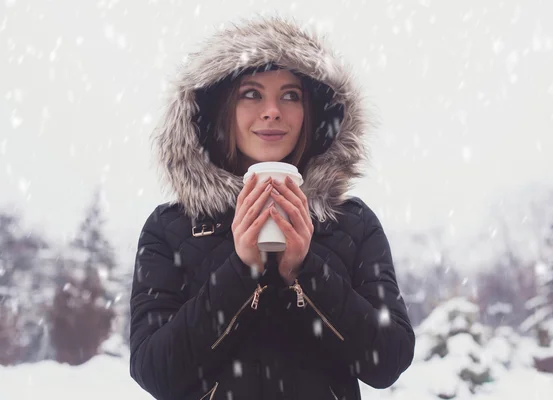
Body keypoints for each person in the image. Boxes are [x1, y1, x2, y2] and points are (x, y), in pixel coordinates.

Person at [129, 15, 415, 400]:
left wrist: (305, 270)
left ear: (310, 114)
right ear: (221, 110)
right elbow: (155, 371)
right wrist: (240, 270)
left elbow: (389, 360)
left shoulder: (351, 222)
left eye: (290, 95)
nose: (272, 111)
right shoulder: (172, 228)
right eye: (251, 93)